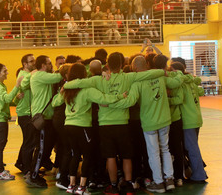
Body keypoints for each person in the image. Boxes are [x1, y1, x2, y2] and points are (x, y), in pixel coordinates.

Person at [63, 52, 165, 195]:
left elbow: (78, 82)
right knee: (126, 155)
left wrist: (65, 86)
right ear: (122, 65)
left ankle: (113, 185)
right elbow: (149, 74)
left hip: (105, 125)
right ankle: (129, 184)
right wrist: (163, 71)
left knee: (110, 156)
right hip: (123, 123)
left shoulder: (98, 80)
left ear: (107, 65)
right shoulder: (129, 77)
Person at [108, 55, 182, 193]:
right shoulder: (160, 76)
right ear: (146, 65)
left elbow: (130, 101)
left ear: (134, 67)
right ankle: (169, 180)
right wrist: (178, 72)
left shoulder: (137, 83)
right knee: (165, 149)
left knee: (153, 153)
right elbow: (176, 83)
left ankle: (159, 183)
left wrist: (112, 103)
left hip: (149, 123)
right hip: (165, 119)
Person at [52, 63, 126, 195]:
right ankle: (82, 187)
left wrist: (61, 92)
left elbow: (55, 103)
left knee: (75, 155)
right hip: (82, 127)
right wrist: (120, 96)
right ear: (83, 75)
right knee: (87, 156)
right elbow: (104, 98)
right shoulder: (87, 90)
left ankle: (71, 185)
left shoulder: (67, 90)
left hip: (68, 125)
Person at [25, 55, 63, 187]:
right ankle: (33, 176)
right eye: (49, 63)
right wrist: (65, 68)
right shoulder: (39, 76)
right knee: (41, 149)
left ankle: (35, 171)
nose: (51, 65)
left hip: (47, 118)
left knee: (45, 148)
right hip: (42, 118)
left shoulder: (42, 75)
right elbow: (58, 77)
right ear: (42, 65)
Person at [0, 63, 24, 180]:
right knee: (0, 144)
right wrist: (17, 85)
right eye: (5, 71)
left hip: (2, 117)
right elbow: (7, 98)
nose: (7, 73)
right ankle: (0, 170)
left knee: (1, 143)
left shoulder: (0, 85)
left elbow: (8, 102)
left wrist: (17, 99)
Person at [14, 54, 36, 176]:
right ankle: (27, 169)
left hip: (29, 112)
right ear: (25, 64)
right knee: (30, 142)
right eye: (31, 61)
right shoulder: (24, 76)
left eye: (34, 60)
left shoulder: (29, 74)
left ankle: (21, 162)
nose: (34, 63)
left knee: (28, 141)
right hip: (26, 113)